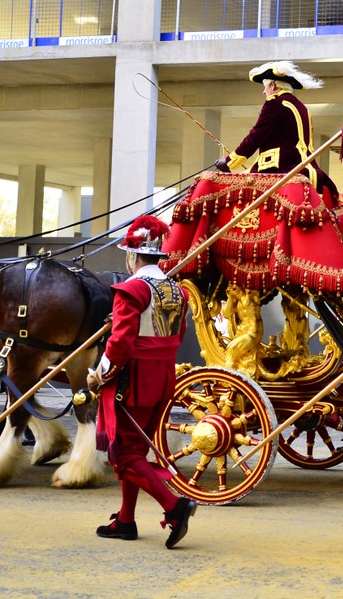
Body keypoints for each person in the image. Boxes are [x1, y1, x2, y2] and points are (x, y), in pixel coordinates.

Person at [87, 215, 195, 549]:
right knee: (134, 448)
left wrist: (99, 374)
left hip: (131, 381)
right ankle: (126, 519)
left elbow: (120, 343)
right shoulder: (177, 290)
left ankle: (174, 506)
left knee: (125, 455)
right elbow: (178, 334)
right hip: (163, 378)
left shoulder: (131, 289)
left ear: (132, 257)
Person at [214, 60, 339, 207]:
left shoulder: (275, 102)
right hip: (308, 166)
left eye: (265, 86)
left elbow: (256, 135)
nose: (264, 91)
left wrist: (230, 161)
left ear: (273, 85)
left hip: (279, 166)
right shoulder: (302, 107)